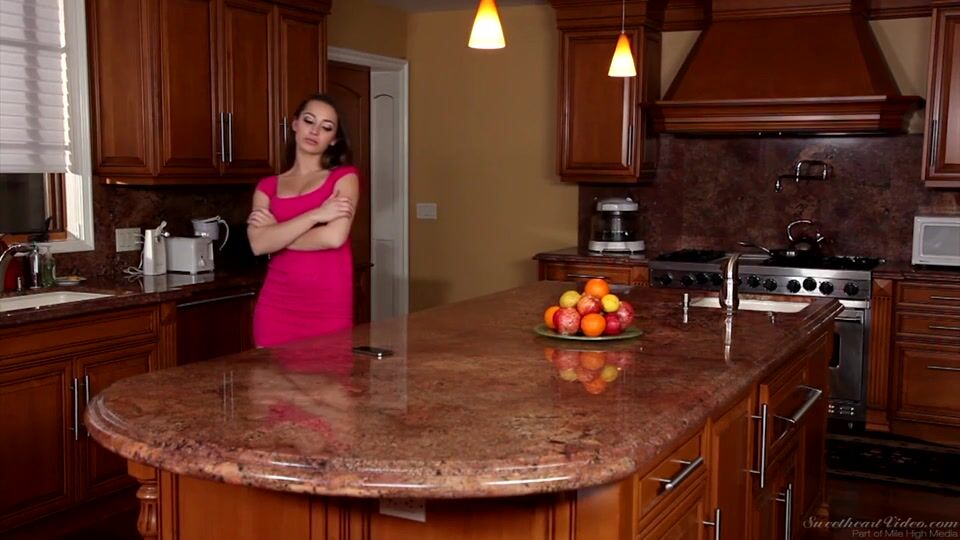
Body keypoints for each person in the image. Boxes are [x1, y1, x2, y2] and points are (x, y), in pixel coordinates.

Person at [247, 94, 359, 347]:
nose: (315, 131)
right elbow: (258, 245)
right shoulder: (267, 187)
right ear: (295, 124)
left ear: (334, 139)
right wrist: (316, 215)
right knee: (269, 375)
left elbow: (333, 237)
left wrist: (275, 235)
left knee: (329, 373)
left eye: (326, 127)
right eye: (309, 121)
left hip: (328, 307)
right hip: (276, 307)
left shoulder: (345, 177)